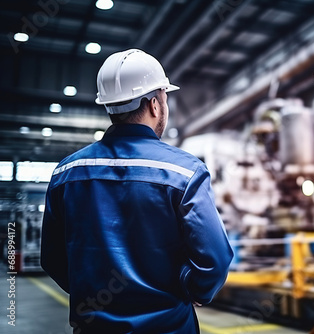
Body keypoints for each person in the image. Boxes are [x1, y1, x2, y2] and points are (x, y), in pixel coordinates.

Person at [41, 49, 234, 333]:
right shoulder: (185, 172)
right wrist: (190, 287)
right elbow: (214, 262)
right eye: (165, 98)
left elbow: (52, 259)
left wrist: (93, 296)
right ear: (155, 105)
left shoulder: (66, 173)